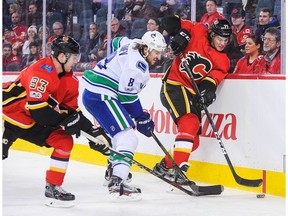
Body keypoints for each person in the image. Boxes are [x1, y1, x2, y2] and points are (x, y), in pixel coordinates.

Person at [2, 35, 111, 207]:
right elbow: (40, 112)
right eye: (74, 56)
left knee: (64, 141)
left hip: (31, 119)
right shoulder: (41, 71)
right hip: (9, 113)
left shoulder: (70, 81)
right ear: (62, 56)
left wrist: (93, 132)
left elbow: (71, 112)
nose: (76, 61)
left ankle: (53, 186)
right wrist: (66, 122)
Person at [82, 31, 167, 200]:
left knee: (118, 138)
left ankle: (113, 173)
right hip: (102, 94)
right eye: (156, 52)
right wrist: (142, 117)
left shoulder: (132, 43)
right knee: (128, 137)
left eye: (160, 53)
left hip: (94, 92)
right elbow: (126, 96)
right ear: (147, 49)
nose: (159, 56)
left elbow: (115, 41)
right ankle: (117, 183)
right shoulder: (137, 67)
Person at [153, 16, 232, 186]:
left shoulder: (223, 61)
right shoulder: (199, 31)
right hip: (174, 84)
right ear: (211, 34)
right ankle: (179, 170)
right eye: (219, 38)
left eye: (225, 39)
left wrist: (206, 93)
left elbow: (211, 81)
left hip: (190, 93)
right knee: (190, 122)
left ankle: (164, 166)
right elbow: (171, 22)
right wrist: (182, 35)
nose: (222, 43)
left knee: (194, 141)